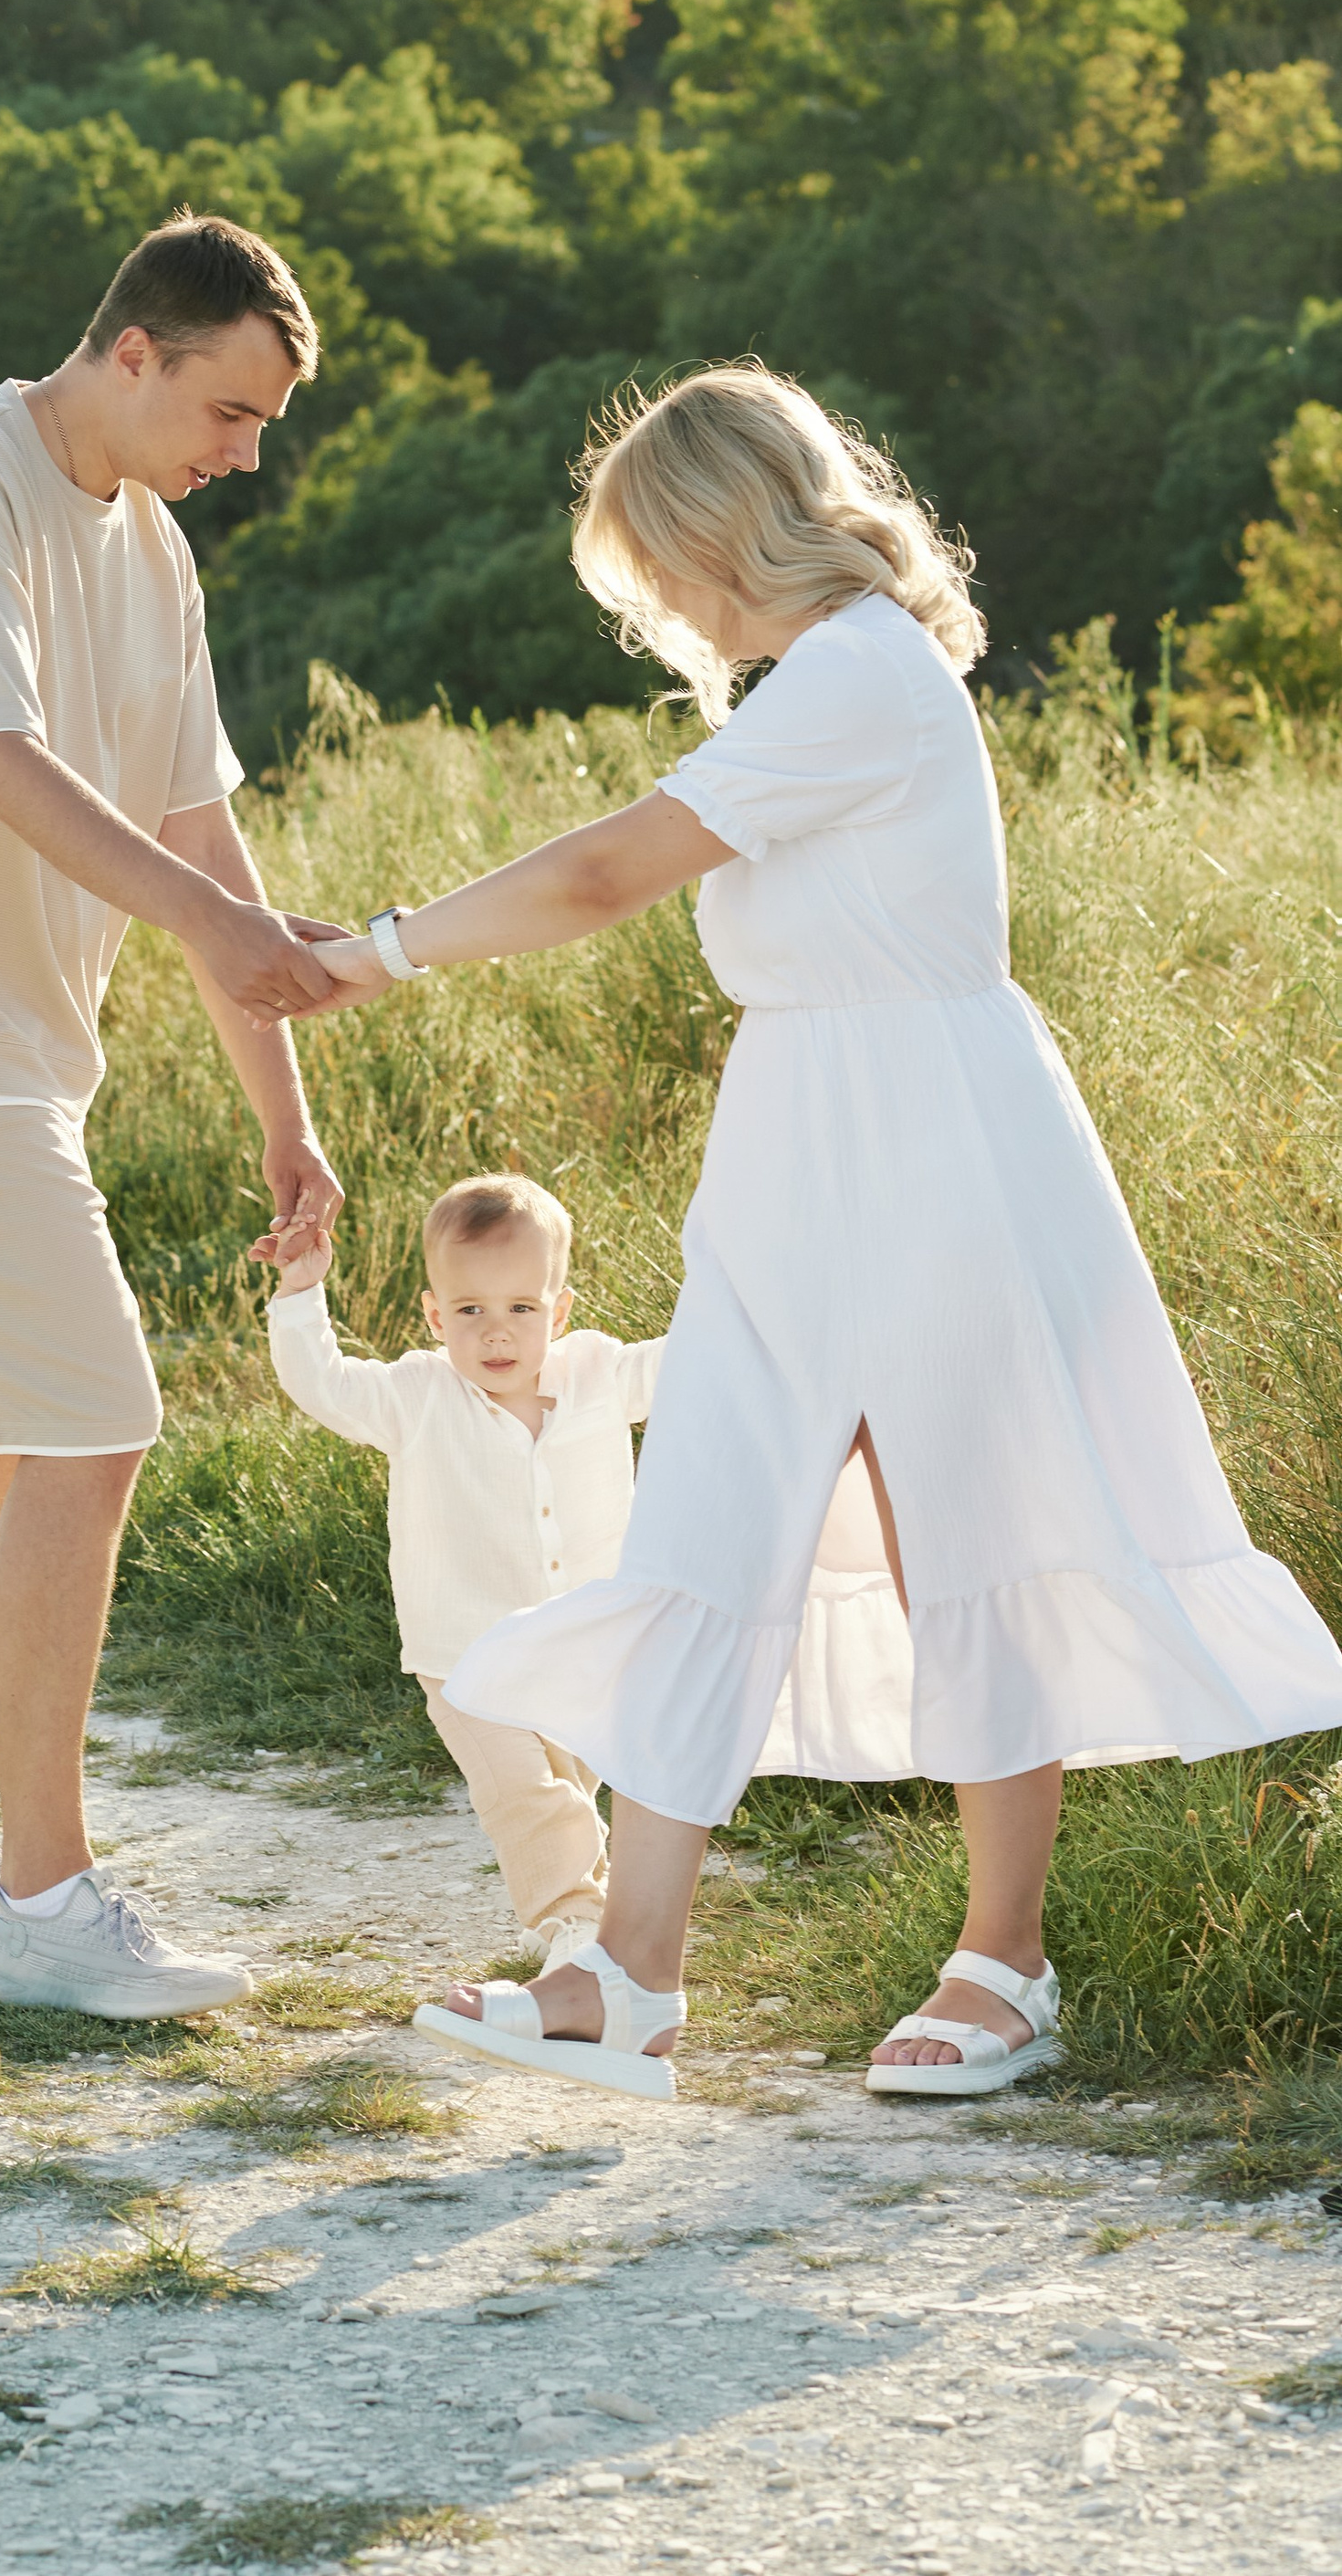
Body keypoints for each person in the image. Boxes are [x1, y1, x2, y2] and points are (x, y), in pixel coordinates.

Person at [293, 365, 1342, 2100]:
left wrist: (379, 949)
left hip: (934, 1138)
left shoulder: (864, 674)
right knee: (709, 1503)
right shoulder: (812, 689)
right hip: (800, 1138)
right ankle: (630, 1978)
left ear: (721, 528)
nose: (664, 613)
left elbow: (601, 874)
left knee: (971, 1526)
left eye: (659, 567)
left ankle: (1005, 1964)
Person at [0, 212, 347, 2020]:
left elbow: (195, 834)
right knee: (89, 1419)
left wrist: (286, 1116)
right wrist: (212, 930)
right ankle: (40, 1906)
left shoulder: (154, 553)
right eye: (230, 410)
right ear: (132, 351)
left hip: (8, 1052)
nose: (242, 452)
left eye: (259, 425)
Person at [265, 1170, 658, 1964]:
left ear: (562, 1310)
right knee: (524, 1790)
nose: (496, 1334)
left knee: (571, 1786)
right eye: (471, 1311)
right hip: (465, 1653)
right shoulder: (418, 1394)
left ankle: (587, 1907)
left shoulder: (599, 1373)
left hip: (583, 1640)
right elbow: (326, 1385)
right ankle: (574, 1923)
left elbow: (702, 1365)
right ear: (435, 1313)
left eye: (522, 1308)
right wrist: (302, 1293)